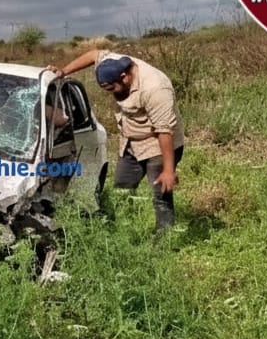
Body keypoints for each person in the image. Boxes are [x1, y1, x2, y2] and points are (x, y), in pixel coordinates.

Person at [50, 49, 184, 232]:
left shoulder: (155, 88)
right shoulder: (110, 63)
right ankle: (124, 232)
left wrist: (169, 170)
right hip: (131, 140)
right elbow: (93, 54)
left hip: (158, 144)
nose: (110, 93)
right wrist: (64, 71)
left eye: (112, 88)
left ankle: (164, 238)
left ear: (124, 77)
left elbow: (164, 131)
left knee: (161, 195)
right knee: (122, 189)